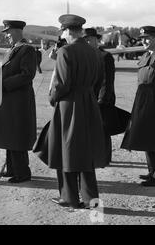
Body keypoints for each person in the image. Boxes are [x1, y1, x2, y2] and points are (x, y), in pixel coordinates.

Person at [44, 14, 107, 209]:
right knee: (85, 152)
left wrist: (52, 98)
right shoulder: (94, 52)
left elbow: (61, 84)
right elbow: (98, 80)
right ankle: (90, 199)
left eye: (63, 31)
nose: (63, 35)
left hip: (69, 106)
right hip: (88, 103)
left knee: (66, 151)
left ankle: (69, 197)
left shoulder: (66, 52)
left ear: (68, 31)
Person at [121, 26, 155, 187]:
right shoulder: (145, 56)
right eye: (142, 38)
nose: (143, 41)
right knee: (146, 138)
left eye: (147, 38)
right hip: (143, 102)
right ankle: (153, 172)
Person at [0, 20, 37, 183]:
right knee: (10, 134)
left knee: (17, 136)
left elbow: (27, 74)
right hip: (10, 99)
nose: (7, 35)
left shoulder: (27, 50)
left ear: (16, 31)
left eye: (8, 32)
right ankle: (12, 168)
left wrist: (4, 83)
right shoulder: (14, 49)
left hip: (18, 100)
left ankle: (22, 173)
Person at [84, 28, 114, 164]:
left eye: (90, 39)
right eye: (85, 40)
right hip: (89, 98)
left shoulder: (105, 56)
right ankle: (94, 155)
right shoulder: (85, 55)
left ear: (97, 39)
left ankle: (105, 157)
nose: (87, 42)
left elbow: (107, 81)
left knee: (103, 129)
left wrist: (102, 100)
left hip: (103, 99)